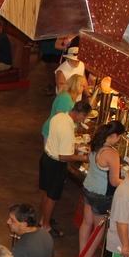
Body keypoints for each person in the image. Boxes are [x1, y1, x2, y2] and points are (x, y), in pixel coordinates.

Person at [76, 121, 124, 257]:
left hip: (88, 188)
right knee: (99, 229)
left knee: (86, 223)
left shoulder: (95, 144)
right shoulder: (112, 154)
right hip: (101, 195)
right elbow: (114, 181)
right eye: (119, 137)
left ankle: (82, 255)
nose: (119, 140)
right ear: (114, 136)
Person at [39, 100, 92, 237]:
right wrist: (84, 158)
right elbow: (63, 156)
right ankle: (46, 226)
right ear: (80, 113)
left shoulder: (59, 116)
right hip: (56, 165)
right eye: (84, 117)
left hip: (46, 158)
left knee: (45, 192)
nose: (83, 120)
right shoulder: (68, 129)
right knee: (52, 197)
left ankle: (43, 219)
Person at [41, 74, 86, 141]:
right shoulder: (65, 98)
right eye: (82, 85)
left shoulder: (71, 96)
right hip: (52, 132)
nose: (84, 88)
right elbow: (60, 119)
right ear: (76, 86)